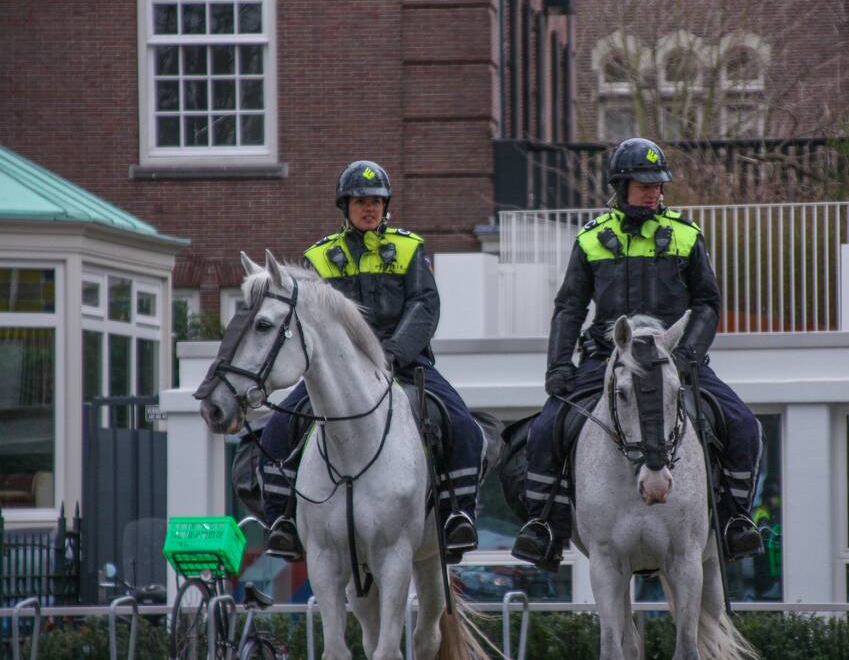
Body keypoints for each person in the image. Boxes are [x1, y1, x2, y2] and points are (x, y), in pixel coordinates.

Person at [510, 138, 764, 573]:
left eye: (658, 185)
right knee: (544, 431)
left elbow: (707, 303)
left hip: (675, 360)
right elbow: (570, 307)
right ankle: (544, 527)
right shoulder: (591, 238)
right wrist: (558, 365)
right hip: (605, 361)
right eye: (645, 185)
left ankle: (735, 520)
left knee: (743, 425)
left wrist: (686, 356)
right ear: (621, 185)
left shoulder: (686, 235)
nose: (654, 193)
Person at [258, 160, 484, 563]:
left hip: (405, 364)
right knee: (276, 429)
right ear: (345, 206)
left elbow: (424, 306)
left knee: (463, 425)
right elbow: (311, 317)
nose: (369, 208)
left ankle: (458, 515)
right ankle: (282, 521)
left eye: (376, 201)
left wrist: (392, 353)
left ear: (386, 206)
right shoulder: (319, 256)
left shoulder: (410, 248)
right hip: (337, 372)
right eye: (361, 201)